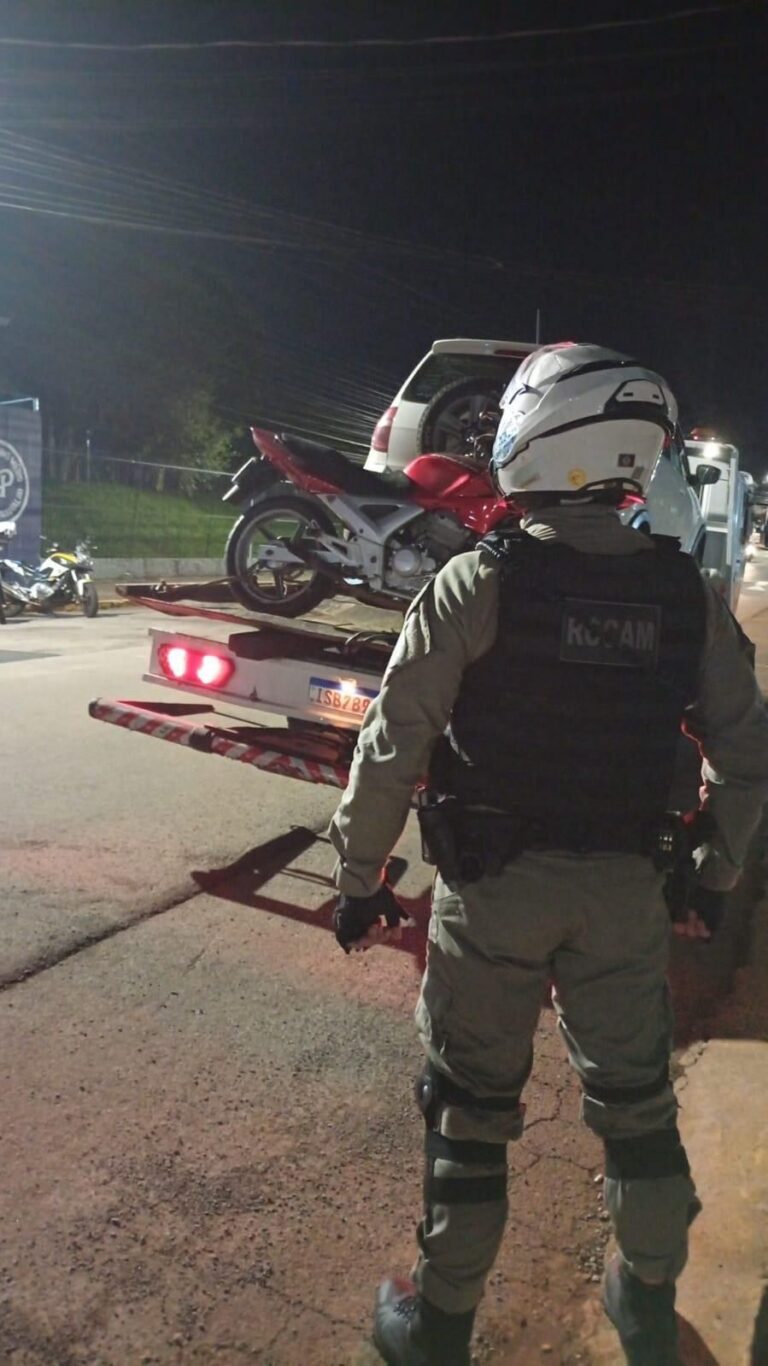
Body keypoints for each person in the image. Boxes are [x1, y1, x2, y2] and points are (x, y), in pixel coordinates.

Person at [329, 343, 768, 1366]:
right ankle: (646, 1303)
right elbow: (748, 753)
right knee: (637, 1109)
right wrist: (712, 872)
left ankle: (440, 1327)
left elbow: (392, 744)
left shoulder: (477, 582)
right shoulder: (684, 596)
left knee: (471, 1112)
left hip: (491, 894)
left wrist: (358, 878)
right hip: (623, 895)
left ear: (540, 436)